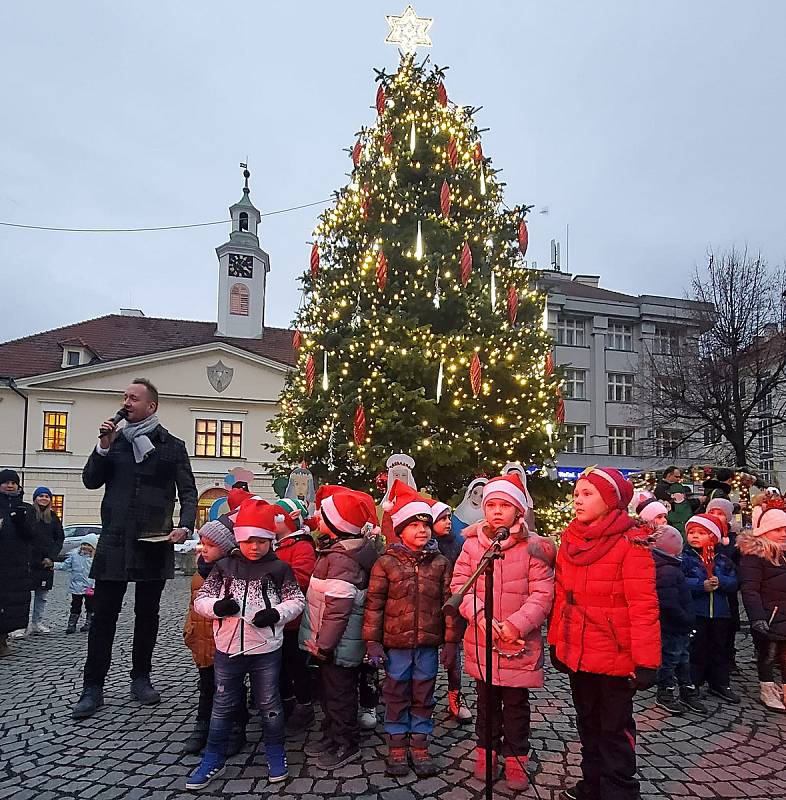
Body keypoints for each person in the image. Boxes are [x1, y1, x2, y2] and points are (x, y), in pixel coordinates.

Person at [72, 379, 198, 719]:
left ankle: (140, 677)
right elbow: (90, 480)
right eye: (125, 397)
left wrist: (185, 525)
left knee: (147, 616)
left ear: (150, 407)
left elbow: (188, 491)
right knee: (103, 618)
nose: (126, 402)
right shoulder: (113, 443)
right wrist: (102, 445)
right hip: (115, 540)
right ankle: (93, 687)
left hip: (153, 539)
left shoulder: (171, 446)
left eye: (134, 398)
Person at [549, 466, 660, 800]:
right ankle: (592, 783)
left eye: (587, 494)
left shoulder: (632, 543)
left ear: (610, 500)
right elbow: (561, 598)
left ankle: (620, 791)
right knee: (587, 724)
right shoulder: (570, 539)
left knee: (614, 730)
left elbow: (643, 605)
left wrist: (647, 662)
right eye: (576, 494)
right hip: (578, 652)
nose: (577, 500)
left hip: (615, 655)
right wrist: (556, 641)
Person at [187, 501, 305, 788]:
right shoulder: (224, 567)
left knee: (269, 704)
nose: (255, 547)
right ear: (239, 539)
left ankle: (275, 753)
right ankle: (213, 756)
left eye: (262, 541)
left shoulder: (279, 569)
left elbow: (296, 600)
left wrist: (276, 614)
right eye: (250, 540)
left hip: (265, 649)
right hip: (227, 650)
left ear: (270, 540)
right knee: (223, 704)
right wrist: (217, 607)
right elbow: (201, 599)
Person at [453, 473, 555, 792]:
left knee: (515, 707)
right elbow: (460, 585)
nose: (497, 511)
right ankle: (486, 755)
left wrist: (516, 624)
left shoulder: (534, 548)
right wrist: (479, 615)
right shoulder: (472, 546)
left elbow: (542, 593)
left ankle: (515, 759)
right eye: (491, 504)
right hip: (483, 640)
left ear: (518, 511)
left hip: (517, 643)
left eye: (504, 505)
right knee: (485, 705)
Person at [363, 481, 460, 777]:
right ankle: (396, 742)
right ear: (401, 529)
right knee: (396, 692)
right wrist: (372, 642)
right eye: (415, 525)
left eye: (426, 525)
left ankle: (419, 743)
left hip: (428, 645)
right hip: (396, 645)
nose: (423, 530)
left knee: (424, 692)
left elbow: (449, 605)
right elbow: (374, 605)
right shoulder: (386, 563)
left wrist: (451, 642)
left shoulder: (440, 563)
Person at [299, 485, 379, 769]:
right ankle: (332, 734)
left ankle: (346, 742)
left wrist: (323, 646)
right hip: (332, 643)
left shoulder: (341, 560)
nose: (317, 518)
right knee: (330, 692)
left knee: (340, 694)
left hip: (336, 645)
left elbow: (337, 610)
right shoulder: (335, 552)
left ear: (336, 525)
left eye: (322, 515)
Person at [182, 518, 248, 756]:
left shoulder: (235, 573)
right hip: (203, 639)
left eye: (210, 544)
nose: (203, 548)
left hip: (228, 642)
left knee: (232, 686)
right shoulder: (200, 573)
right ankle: (203, 724)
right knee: (207, 685)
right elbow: (193, 607)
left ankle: (237, 726)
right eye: (201, 543)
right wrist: (190, 633)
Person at [682, 514, 739, 703]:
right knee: (696, 649)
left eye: (701, 533)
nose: (695, 536)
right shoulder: (686, 559)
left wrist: (720, 581)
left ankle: (720, 683)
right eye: (691, 532)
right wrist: (700, 585)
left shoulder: (723, 559)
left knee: (719, 648)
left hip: (720, 613)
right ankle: (694, 684)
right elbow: (681, 583)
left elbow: (735, 582)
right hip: (698, 612)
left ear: (713, 537)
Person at [272, 497, 317, 733]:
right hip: (276, 620)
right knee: (278, 666)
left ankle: (304, 705)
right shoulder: (275, 544)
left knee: (296, 665)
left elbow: (302, 578)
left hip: (294, 620)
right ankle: (285, 702)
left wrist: (270, 586)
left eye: (275, 515)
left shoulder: (301, 546)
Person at [426, 496, 472, 723]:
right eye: (442, 518)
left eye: (449, 517)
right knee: (426, 659)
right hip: (427, 608)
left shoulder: (459, 543)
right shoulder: (423, 544)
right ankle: (424, 700)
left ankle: (456, 697)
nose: (447, 522)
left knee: (453, 658)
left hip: (452, 609)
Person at [738, 501, 786, 713]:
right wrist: (757, 617)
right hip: (769, 615)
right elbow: (750, 589)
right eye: (778, 530)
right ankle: (767, 688)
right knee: (767, 653)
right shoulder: (755, 555)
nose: (783, 534)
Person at [650, 526, 698, 714]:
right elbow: (668, 602)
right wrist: (685, 618)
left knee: (682, 658)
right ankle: (666, 692)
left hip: (678, 625)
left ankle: (686, 689)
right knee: (670, 660)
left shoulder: (669, 567)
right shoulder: (667, 570)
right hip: (674, 625)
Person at [0, 469, 34, 657]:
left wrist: (21, 523)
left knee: (11, 601)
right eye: (6, 482)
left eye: (13, 482)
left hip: (16, 561)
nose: (10, 485)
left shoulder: (25, 508)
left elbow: (31, 536)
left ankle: (3, 639)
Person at [23, 487, 65, 635]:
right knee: (24, 594)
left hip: (46, 562)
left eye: (47, 496)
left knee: (42, 595)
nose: (44, 498)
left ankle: (37, 623)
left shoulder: (53, 517)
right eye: (41, 495)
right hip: (28, 560)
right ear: (35, 498)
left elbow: (59, 538)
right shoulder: (28, 515)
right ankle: (22, 625)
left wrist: (51, 557)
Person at [54, 534, 98, 633]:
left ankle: (89, 622)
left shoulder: (95, 559)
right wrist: (53, 565)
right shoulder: (74, 556)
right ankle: (72, 624)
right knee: (75, 605)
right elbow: (64, 566)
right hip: (76, 586)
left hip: (90, 587)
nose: (85, 547)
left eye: (88, 545)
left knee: (90, 605)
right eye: (83, 544)